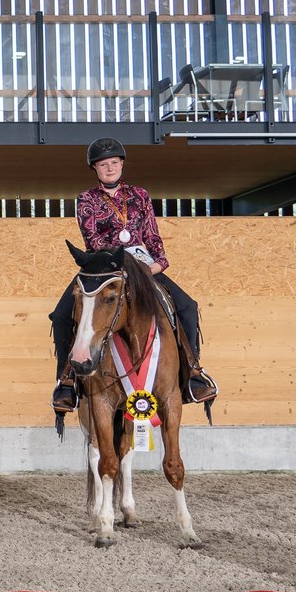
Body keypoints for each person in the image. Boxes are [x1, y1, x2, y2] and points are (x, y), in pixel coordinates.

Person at [49, 137, 217, 412]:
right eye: (103, 164)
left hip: (142, 266)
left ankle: (193, 373)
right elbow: (92, 239)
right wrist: (122, 262)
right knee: (61, 315)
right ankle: (66, 380)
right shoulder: (87, 199)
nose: (110, 168)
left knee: (188, 306)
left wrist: (158, 264)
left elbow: (152, 235)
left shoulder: (140, 196)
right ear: (95, 168)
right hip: (104, 267)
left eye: (114, 163)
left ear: (122, 164)